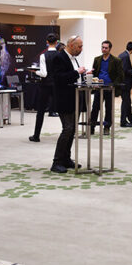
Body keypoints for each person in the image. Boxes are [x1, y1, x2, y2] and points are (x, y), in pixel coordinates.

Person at [50, 35, 87, 173]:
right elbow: (59, 78)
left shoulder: (73, 58)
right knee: (67, 129)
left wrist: (83, 74)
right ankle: (57, 162)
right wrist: (77, 72)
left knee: (72, 130)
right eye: (79, 46)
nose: (81, 49)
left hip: (75, 98)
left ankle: (66, 159)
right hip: (64, 100)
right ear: (71, 45)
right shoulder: (59, 58)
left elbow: (72, 76)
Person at [29, 33, 60, 142]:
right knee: (62, 110)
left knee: (41, 111)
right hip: (57, 85)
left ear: (47, 42)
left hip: (45, 85)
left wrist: (35, 71)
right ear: (56, 42)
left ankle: (36, 135)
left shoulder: (43, 56)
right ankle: (67, 133)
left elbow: (44, 73)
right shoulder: (60, 55)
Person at [90, 40, 124, 136]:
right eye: (102, 47)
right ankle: (92, 127)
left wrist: (113, 85)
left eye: (106, 48)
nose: (104, 49)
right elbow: (94, 73)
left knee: (108, 108)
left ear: (110, 49)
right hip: (98, 88)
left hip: (109, 88)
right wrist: (94, 81)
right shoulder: (97, 59)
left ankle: (107, 127)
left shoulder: (116, 60)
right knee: (95, 108)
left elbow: (120, 75)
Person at [118, 41, 132, 127]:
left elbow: (126, 67)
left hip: (123, 83)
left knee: (128, 102)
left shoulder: (123, 55)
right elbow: (125, 71)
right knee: (126, 102)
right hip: (125, 83)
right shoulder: (125, 56)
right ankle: (123, 122)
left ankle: (131, 119)